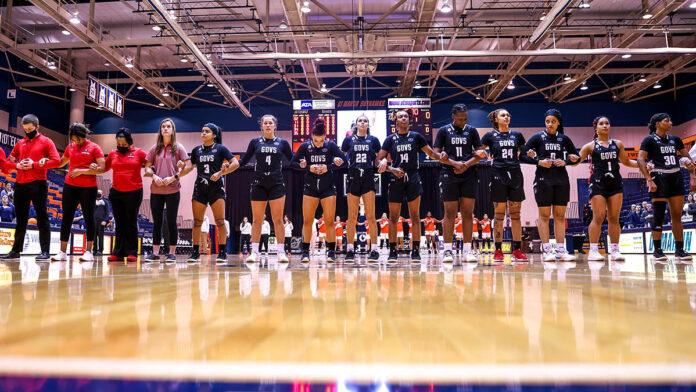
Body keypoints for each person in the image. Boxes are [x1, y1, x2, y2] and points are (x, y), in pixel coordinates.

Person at [377, 108, 444, 263]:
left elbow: (432, 154)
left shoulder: (416, 137)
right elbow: (377, 161)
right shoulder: (390, 140)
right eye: (400, 117)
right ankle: (393, 250)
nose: (403, 119)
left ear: (409, 120)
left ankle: (416, 250)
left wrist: (444, 156)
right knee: (393, 217)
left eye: (406, 116)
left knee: (415, 216)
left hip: (413, 176)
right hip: (396, 177)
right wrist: (389, 167)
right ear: (396, 121)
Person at [575, 116, 639, 261]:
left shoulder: (618, 144)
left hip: (615, 182)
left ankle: (615, 250)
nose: (604, 126)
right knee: (598, 217)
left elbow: (627, 161)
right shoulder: (590, 146)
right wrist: (567, 161)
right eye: (601, 124)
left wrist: (642, 165)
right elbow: (576, 161)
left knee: (614, 218)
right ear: (595, 127)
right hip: (598, 183)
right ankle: (593, 250)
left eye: (607, 123)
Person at [521, 109, 580, 261]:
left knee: (560, 216)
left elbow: (576, 157)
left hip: (561, 180)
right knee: (544, 215)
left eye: (553, 121)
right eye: (547, 121)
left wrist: (566, 161)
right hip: (543, 179)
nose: (550, 124)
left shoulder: (564, 139)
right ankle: (547, 249)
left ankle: (561, 249)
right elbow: (522, 155)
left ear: (558, 123)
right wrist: (538, 161)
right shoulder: (538, 137)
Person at [638, 113, 696, 262]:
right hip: (659, 177)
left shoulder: (675, 140)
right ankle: (657, 251)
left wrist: (692, 176)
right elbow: (640, 159)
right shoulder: (649, 140)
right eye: (667, 120)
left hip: (675, 176)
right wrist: (648, 179)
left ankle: (679, 250)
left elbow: (688, 158)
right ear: (657, 123)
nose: (670, 123)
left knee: (677, 216)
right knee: (658, 215)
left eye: (670, 120)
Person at [2, 114, 60, 261]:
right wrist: (17, 165)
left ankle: (45, 251)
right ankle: (15, 250)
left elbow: (57, 162)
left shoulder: (47, 142)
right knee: (21, 219)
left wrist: (37, 164)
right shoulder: (20, 143)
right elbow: (9, 163)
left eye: (30, 129)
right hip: (20, 183)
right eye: (25, 129)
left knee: (42, 217)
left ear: (37, 127)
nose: (28, 132)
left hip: (38, 182)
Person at [433, 104, 487, 263]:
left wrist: (466, 164)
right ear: (453, 116)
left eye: (465, 119)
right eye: (460, 119)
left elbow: (480, 153)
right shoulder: (444, 131)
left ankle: (468, 251)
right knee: (449, 213)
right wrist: (451, 162)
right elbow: (436, 152)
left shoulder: (471, 131)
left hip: (469, 173)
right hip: (449, 173)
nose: (463, 121)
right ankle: (448, 250)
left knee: (468, 213)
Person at [178, 123, 238, 263]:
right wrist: (182, 168)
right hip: (200, 187)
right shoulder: (196, 150)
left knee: (220, 221)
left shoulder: (221, 149)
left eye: (207, 131)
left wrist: (222, 172)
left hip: (216, 188)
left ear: (214, 135)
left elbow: (235, 163)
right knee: (197, 222)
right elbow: (190, 167)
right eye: (202, 131)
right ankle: (195, 253)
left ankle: (222, 253)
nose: (203, 133)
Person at [238, 114, 293, 263]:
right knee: (256, 220)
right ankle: (254, 252)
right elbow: (243, 160)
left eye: (270, 123)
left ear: (275, 126)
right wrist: (228, 166)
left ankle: (281, 253)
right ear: (261, 126)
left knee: (278, 220)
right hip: (259, 184)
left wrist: (306, 163)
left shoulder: (282, 143)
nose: (268, 125)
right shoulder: (255, 142)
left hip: (276, 184)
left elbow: (293, 160)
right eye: (265, 123)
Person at [290, 118, 345, 263]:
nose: (319, 144)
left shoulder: (331, 146)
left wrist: (330, 166)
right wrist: (307, 167)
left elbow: (344, 161)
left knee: (329, 222)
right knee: (307, 221)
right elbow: (292, 163)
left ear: (325, 138)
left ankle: (331, 253)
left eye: (321, 141)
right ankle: (306, 253)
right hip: (310, 188)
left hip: (328, 188)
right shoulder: (304, 147)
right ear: (312, 137)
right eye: (316, 140)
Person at [481, 108, 529, 262]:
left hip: (515, 174)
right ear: (495, 119)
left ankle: (517, 250)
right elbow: (477, 151)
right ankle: (498, 250)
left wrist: (532, 154)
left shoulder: (517, 135)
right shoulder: (489, 136)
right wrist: (480, 154)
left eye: (508, 115)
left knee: (516, 215)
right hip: (497, 175)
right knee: (499, 215)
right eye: (503, 115)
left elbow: (525, 153)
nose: (507, 117)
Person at [52, 123, 105, 262]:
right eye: (74, 139)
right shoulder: (70, 147)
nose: (76, 142)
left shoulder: (94, 148)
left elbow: (102, 168)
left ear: (84, 136)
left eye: (78, 139)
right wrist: (48, 161)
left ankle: (88, 252)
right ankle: (62, 252)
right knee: (66, 218)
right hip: (70, 186)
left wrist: (83, 170)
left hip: (88, 188)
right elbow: (61, 163)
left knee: (89, 218)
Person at [97, 128, 147, 262]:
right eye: (119, 144)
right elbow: (104, 168)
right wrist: (95, 167)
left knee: (131, 222)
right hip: (117, 192)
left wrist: (151, 169)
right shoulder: (113, 154)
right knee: (119, 223)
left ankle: (132, 252)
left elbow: (149, 163)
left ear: (129, 142)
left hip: (134, 192)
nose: (122, 147)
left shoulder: (139, 153)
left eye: (124, 145)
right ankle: (118, 252)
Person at [144, 118, 190, 263]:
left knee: (171, 221)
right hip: (156, 190)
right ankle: (155, 252)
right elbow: (147, 167)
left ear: (172, 130)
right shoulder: (154, 148)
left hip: (172, 190)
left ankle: (171, 253)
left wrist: (174, 177)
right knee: (157, 222)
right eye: (163, 126)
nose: (165, 128)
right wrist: (154, 175)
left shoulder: (179, 148)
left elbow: (188, 167)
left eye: (168, 126)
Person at [341, 114, 382, 263]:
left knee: (371, 216)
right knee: (352, 217)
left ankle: (374, 249)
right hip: (353, 175)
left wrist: (382, 162)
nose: (363, 122)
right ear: (356, 124)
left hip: (369, 175)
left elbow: (380, 157)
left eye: (365, 121)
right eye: (360, 120)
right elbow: (341, 155)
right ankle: (350, 249)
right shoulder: (348, 140)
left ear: (368, 125)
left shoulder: (374, 140)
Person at [93, 190, 110, 256]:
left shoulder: (105, 202)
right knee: (94, 237)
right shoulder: (93, 201)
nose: (98, 194)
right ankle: (94, 250)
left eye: (100, 193)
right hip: (94, 221)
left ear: (102, 194)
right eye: (97, 192)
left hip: (101, 222)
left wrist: (105, 221)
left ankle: (100, 250)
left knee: (100, 237)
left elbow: (107, 212)